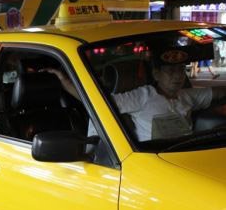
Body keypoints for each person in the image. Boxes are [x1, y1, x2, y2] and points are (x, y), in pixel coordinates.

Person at [44, 50, 226, 142]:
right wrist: (64, 81)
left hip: (186, 154)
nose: (178, 76)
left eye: (180, 70)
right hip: (152, 161)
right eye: (170, 71)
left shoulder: (187, 96)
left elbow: (217, 93)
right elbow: (96, 101)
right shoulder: (142, 96)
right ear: (156, 74)